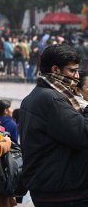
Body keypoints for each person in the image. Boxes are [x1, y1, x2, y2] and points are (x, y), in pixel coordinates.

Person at [19, 44, 88, 206]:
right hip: (62, 193)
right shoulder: (50, 99)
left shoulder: (40, 96)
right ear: (55, 69)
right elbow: (83, 134)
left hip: (55, 188)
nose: (77, 76)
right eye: (72, 71)